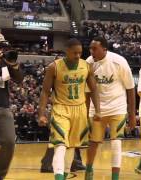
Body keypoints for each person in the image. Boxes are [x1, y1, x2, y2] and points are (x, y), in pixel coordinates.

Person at [38, 38, 99, 180]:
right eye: (74, 53)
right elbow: (45, 91)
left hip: (80, 109)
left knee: (72, 146)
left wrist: (98, 110)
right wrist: (41, 113)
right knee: (60, 144)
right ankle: (58, 177)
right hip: (61, 109)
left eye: (80, 53)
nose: (78, 56)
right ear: (67, 51)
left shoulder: (86, 66)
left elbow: (94, 90)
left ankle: (64, 174)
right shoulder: (54, 67)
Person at [85, 36, 136, 180]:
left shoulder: (119, 62)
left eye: (94, 48)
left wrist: (132, 115)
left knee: (116, 143)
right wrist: (85, 113)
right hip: (97, 110)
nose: (91, 51)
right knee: (93, 142)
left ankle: (115, 176)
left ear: (104, 49)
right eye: (90, 48)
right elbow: (87, 92)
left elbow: (131, 88)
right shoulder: (88, 63)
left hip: (117, 108)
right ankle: (89, 171)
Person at [0, 32, 24, 180]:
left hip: (4, 107)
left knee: (10, 142)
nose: (2, 49)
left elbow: (18, 79)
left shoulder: (5, 61)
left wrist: (14, 65)